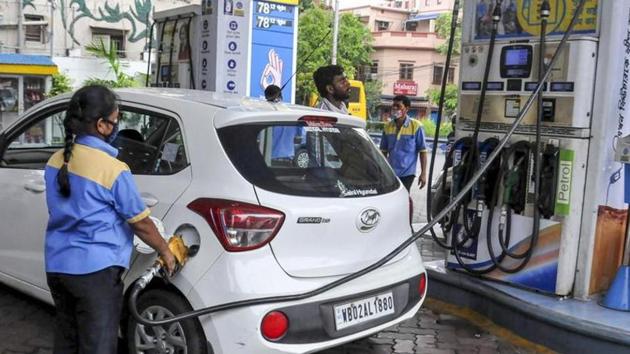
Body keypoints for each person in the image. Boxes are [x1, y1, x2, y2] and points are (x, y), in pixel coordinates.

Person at [44, 85, 176, 354]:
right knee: (98, 346)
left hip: (58, 267)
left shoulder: (55, 161)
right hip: (95, 274)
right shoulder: (112, 169)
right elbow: (139, 222)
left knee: (68, 341)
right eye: (116, 120)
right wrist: (166, 250)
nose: (117, 127)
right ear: (102, 125)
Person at [380, 95, 428, 192]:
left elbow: (422, 151)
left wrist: (423, 174)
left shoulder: (416, 126)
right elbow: (383, 151)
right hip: (390, 173)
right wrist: (381, 171)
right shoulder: (387, 127)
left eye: (398, 106)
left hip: (407, 174)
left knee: (403, 197)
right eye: (393, 105)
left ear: (407, 109)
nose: (394, 108)